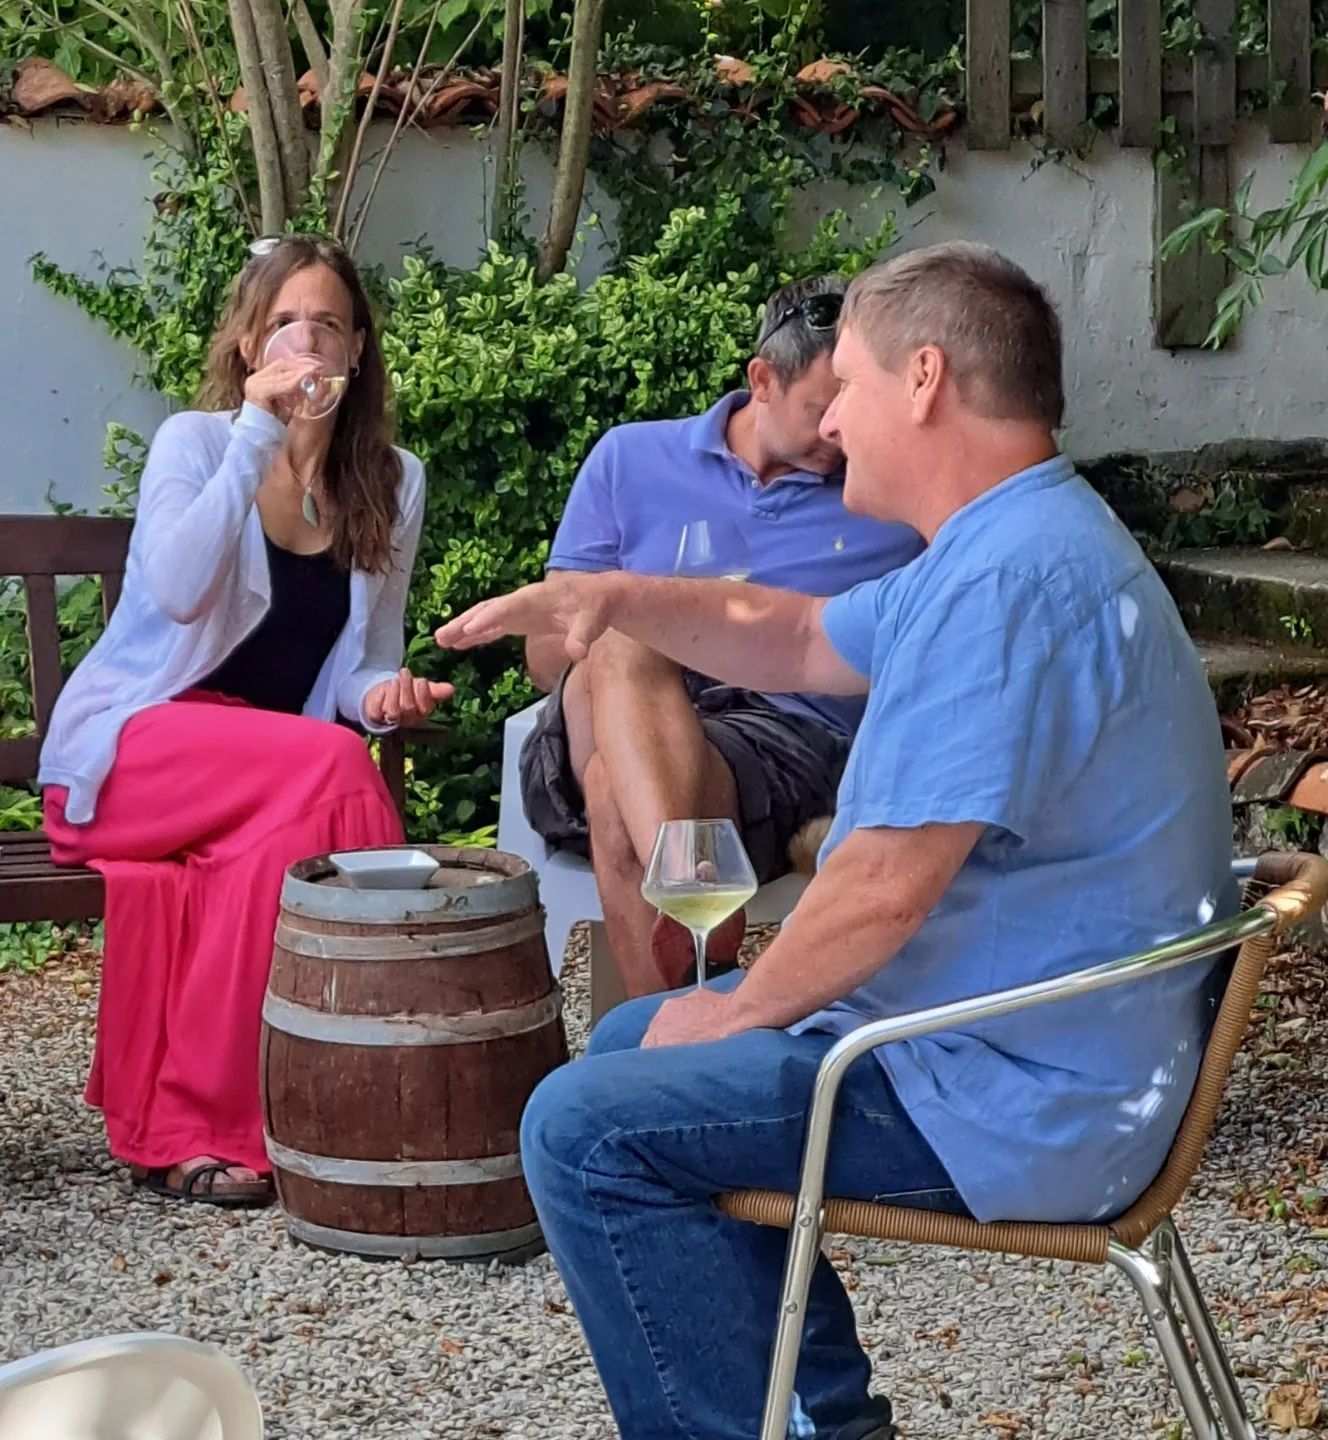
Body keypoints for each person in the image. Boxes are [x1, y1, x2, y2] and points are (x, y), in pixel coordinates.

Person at [436, 241, 1237, 1440]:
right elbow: (797, 636)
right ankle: (821, 1421)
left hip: (1019, 1096)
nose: (835, 422)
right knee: (627, 1042)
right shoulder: (1008, 543)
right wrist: (612, 600)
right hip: (1019, 1046)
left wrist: (743, 1005)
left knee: (583, 1125)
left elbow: (880, 889)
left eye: (849, 385)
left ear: (923, 380)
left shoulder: (1007, 587)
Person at [40, 235, 451, 1208]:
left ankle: (216, 1123)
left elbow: (365, 662)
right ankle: (387, 1087)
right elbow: (180, 594)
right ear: (247, 347)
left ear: (358, 352)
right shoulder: (195, 443)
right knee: (331, 769)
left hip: (270, 777)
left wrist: (385, 695)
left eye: (329, 324)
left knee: (296, 816)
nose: (307, 341)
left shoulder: (393, 481)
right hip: (133, 757)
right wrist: (256, 441)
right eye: (284, 323)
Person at [520, 275, 921, 996]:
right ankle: (693, 893)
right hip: (602, 714)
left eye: (850, 410)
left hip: (782, 739)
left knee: (616, 788)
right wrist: (656, 622)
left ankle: (666, 1042)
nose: (837, 434)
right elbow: (545, 659)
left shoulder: (884, 497)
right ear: (762, 380)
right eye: (820, 410)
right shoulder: (628, 460)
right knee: (621, 631)